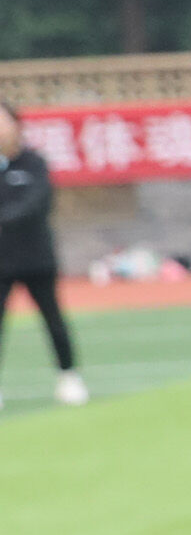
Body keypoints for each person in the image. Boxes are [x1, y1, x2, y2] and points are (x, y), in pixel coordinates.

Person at [0, 103, 80, 408]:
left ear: (16, 125)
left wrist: (5, 219)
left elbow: (36, 203)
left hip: (37, 258)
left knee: (53, 319)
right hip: (2, 261)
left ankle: (69, 376)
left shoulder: (33, 163)